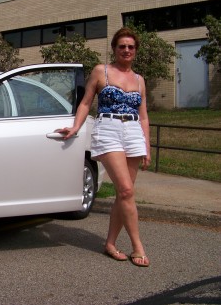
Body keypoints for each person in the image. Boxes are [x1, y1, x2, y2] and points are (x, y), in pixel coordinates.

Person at [56, 27, 151, 267]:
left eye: (131, 47)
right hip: (108, 129)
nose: (126, 50)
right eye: (122, 46)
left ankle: (110, 243)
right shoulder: (102, 71)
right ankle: (138, 246)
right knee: (127, 191)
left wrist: (146, 146)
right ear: (114, 49)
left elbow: (144, 116)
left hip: (133, 133)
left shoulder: (139, 80)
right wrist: (76, 127)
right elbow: (86, 102)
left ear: (135, 50)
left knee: (123, 193)